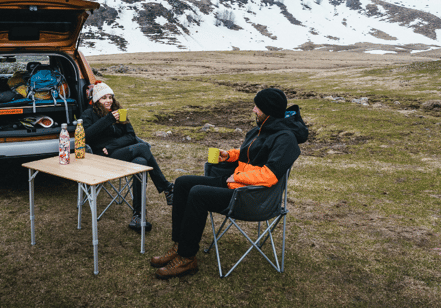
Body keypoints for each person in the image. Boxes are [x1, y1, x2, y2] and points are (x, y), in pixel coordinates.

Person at [150, 88, 308, 279]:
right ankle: (180, 245)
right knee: (183, 183)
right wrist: (229, 155)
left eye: (257, 106)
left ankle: (187, 258)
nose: (253, 110)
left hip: (253, 197)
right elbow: (248, 153)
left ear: (269, 110)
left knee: (198, 193)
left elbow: (270, 175)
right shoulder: (263, 129)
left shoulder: (285, 138)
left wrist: (238, 177)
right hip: (237, 186)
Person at [81, 82, 175, 232]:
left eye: (110, 97)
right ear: (97, 100)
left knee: (141, 162)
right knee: (143, 147)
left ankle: (138, 216)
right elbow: (86, 136)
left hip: (119, 152)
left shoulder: (119, 112)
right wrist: (108, 119)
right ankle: (167, 188)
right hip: (102, 158)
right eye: (104, 98)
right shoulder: (88, 114)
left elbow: (131, 136)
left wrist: (112, 146)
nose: (108, 101)